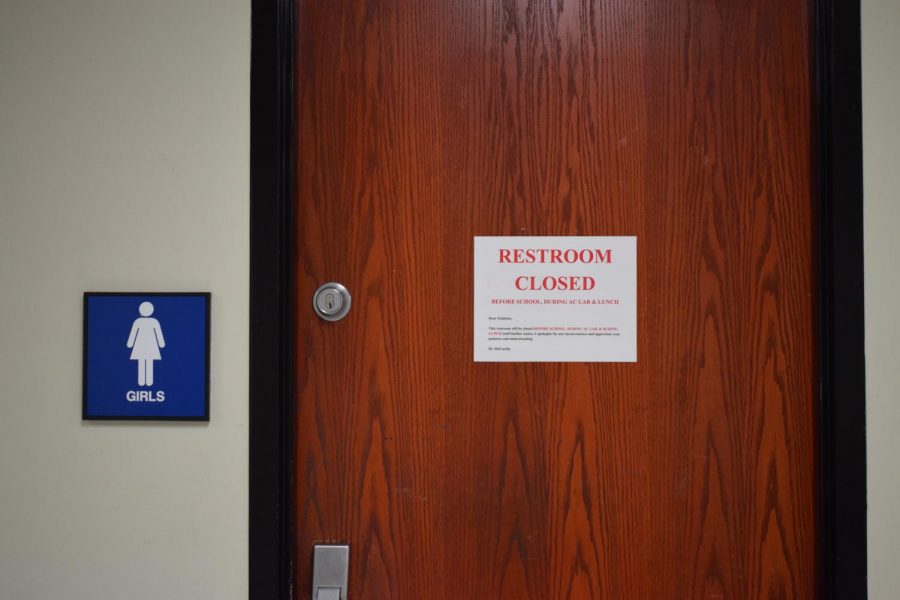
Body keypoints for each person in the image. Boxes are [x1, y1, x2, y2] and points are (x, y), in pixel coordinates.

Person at [126, 302, 165, 386]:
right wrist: (161, 344)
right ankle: (148, 382)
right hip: (150, 347)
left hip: (141, 346)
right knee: (148, 363)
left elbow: (133, 334)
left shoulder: (138, 321)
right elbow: (159, 334)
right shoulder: (154, 321)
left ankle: (142, 382)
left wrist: (130, 344)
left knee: (143, 363)